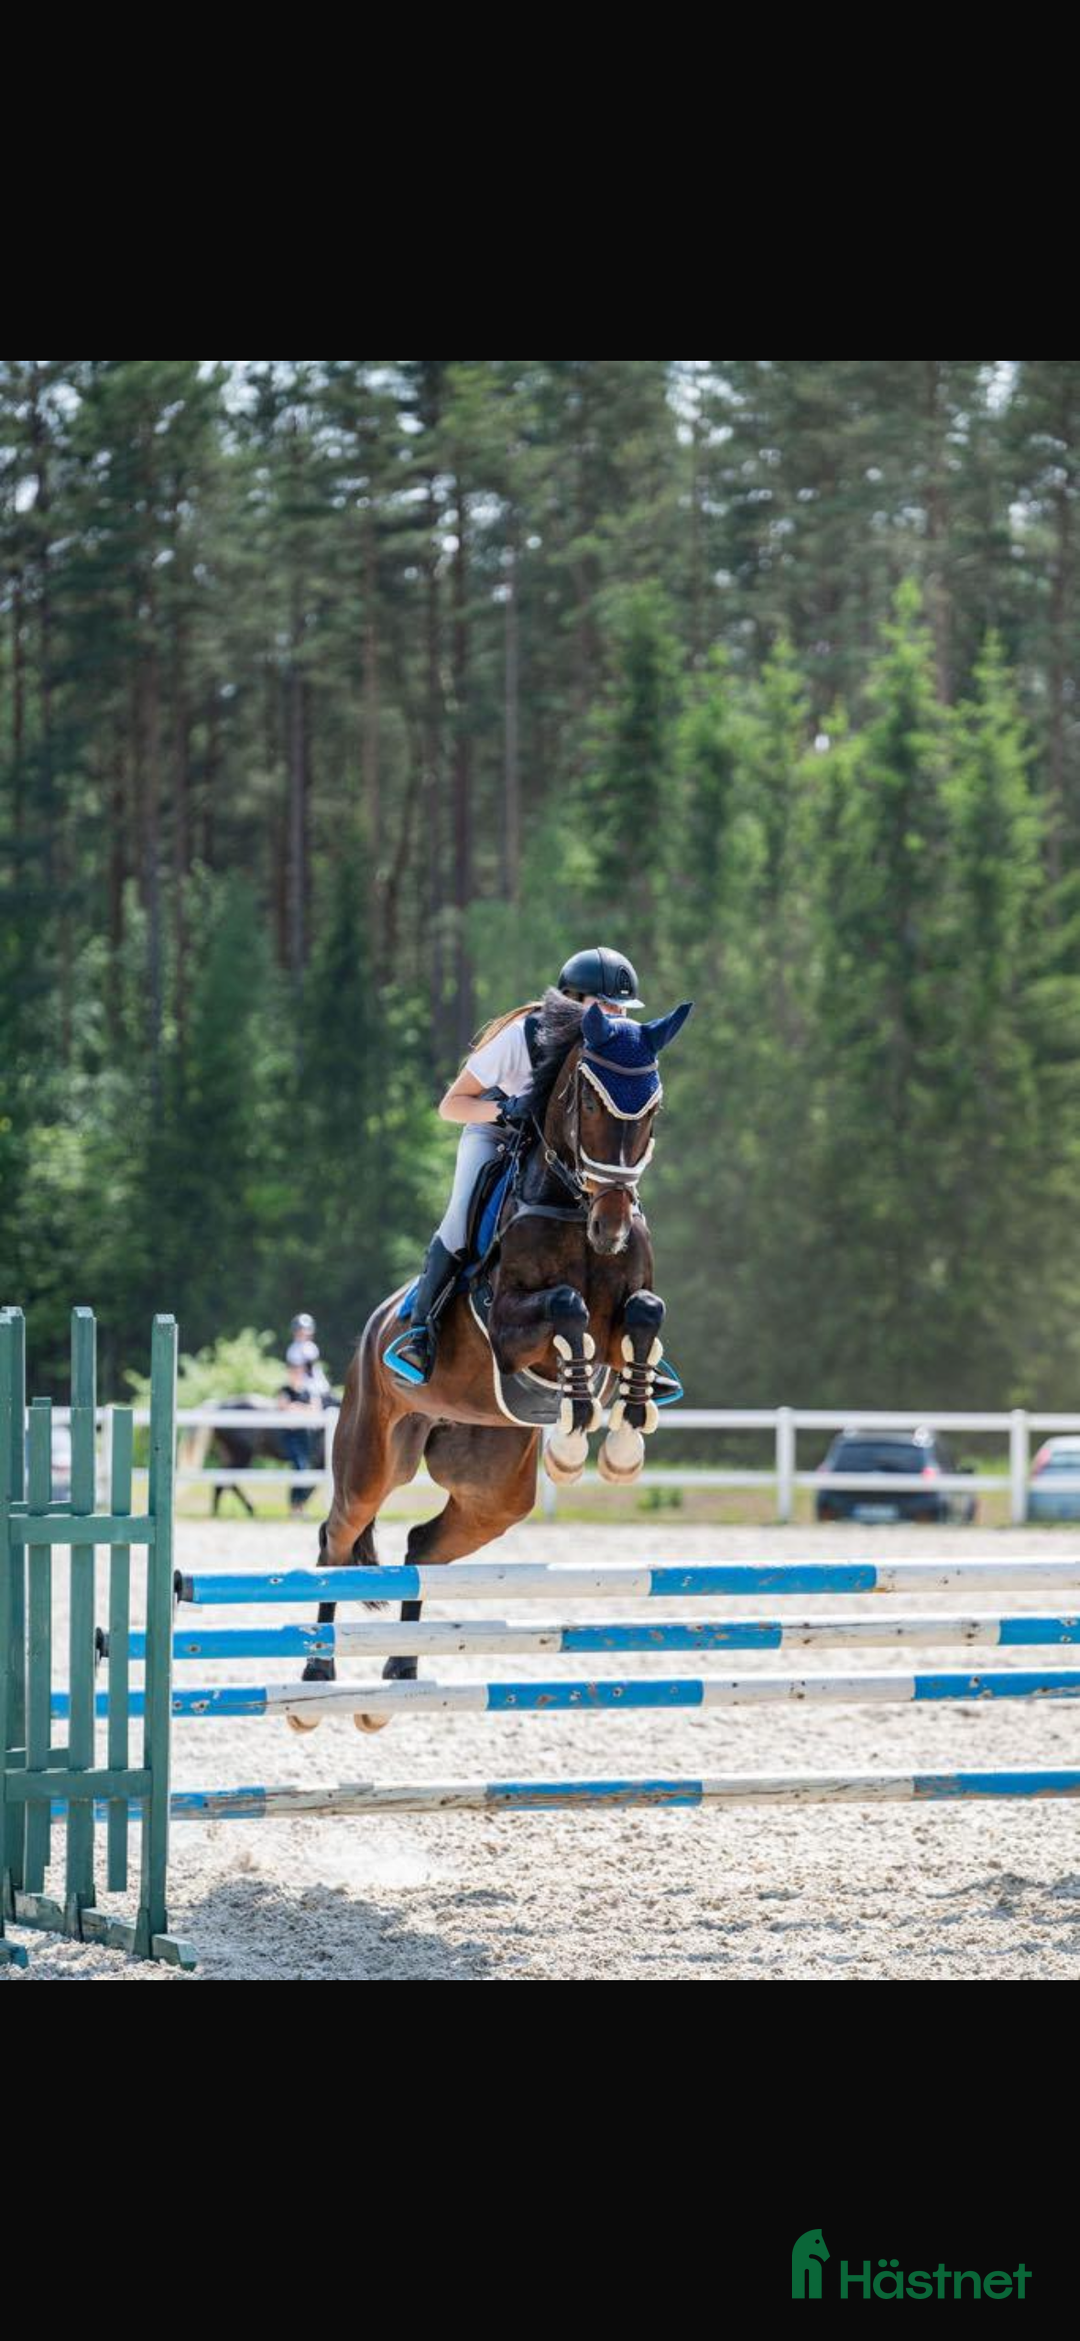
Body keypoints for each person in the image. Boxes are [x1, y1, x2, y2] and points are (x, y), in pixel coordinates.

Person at [389, 946, 644, 1384]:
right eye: (606, 1005)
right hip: (498, 1134)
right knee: (460, 1220)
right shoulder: (523, 1036)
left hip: (567, 1150)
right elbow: (451, 1105)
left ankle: (637, 1342)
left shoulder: (621, 1044)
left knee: (625, 1207)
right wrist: (506, 1109)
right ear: (573, 1000)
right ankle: (421, 1332)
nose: (617, 1015)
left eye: (622, 1008)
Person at [278, 1313, 332, 1512]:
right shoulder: (294, 1350)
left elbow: (315, 1373)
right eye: (301, 1330)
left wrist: (323, 1387)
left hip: (316, 1386)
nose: (304, 1333)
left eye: (306, 1330)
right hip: (305, 1387)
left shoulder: (311, 1348)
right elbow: (298, 1374)